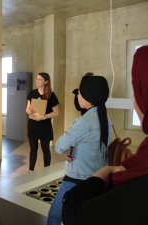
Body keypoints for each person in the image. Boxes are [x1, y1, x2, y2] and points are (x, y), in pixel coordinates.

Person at [62, 46, 148, 225]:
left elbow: (75, 213)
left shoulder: (83, 122)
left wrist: (106, 171)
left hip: (78, 176)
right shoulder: (105, 118)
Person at [47, 75, 112, 225]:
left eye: (80, 92)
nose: (77, 95)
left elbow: (58, 146)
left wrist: (67, 148)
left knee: (55, 216)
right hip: (98, 179)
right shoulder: (106, 119)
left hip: (77, 180)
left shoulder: (83, 122)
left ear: (88, 98)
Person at [25, 72, 59, 171]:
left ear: (46, 81)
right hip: (32, 124)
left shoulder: (51, 95)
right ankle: (31, 171)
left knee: (46, 150)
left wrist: (43, 116)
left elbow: (56, 112)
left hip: (45, 125)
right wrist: (28, 111)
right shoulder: (32, 93)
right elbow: (27, 108)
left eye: (40, 79)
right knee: (33, 149)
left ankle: (46, 171)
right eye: (37, 79)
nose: (37, 81)